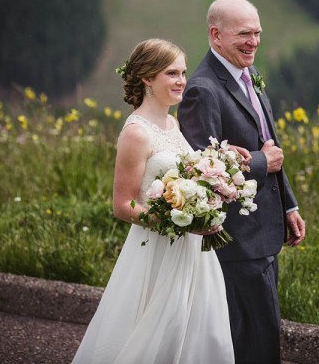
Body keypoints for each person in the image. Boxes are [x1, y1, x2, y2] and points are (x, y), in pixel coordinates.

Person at [72, 38, 240, 363]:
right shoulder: (137, 133)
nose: (182, 81)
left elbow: (183, 176)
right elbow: (123, 205)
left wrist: (218, 165)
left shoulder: (172, 123)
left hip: (191, 251)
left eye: (183, 72)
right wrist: (183, 223)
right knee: (154, 337)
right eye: (171, 73)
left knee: (198, 333)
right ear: (147, 78)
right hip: (158, 251)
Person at [178, 0, 306, 363]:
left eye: (258, 33)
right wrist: (261, 162)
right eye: (244, 34)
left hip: (264, 234)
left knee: (259, 335)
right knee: (255, 339)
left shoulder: (247, 74)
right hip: (237, 242)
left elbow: (271, 145)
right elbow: (202, 170)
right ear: (215, 35)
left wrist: (288, 205)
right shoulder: (203, 89)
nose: (254, 42)